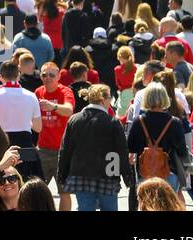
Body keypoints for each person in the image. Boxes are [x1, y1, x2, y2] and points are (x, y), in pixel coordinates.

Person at [56, 83, 132, 211]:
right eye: (109, 99)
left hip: (81, 174)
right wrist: (127, 176)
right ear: (103, 100)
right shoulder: (112, 122)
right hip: (108, 174)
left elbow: (65, 150)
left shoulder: (74, 120)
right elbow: (121, 152)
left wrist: (62, 174)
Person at [35, 61, 75, 210]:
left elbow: (69, 110)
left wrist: (54, 107)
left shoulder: (65, 91)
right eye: (44, 75)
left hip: (62, 151)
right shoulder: (38, 92)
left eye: (52, 75)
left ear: (58, 76)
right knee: (38, 190)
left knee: (64, 191)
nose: (48, 78)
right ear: (41, 77)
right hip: (43, 150)